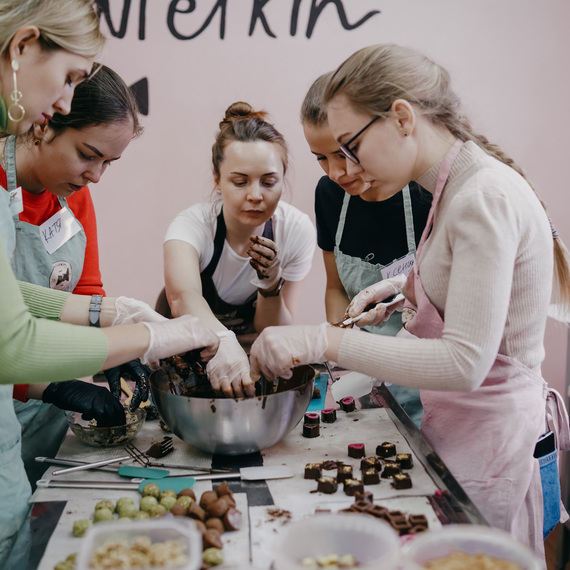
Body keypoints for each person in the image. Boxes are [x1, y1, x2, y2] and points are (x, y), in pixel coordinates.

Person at [250, 44, 570, 562]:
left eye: (350, 147)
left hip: (490, 447)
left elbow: (465, 362)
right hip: (461, 434)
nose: (343, 168)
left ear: (401, 117)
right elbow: (465, 281)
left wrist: (325, 339)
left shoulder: (480, 198)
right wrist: (403, 288)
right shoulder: (455, 186)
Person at [0, 1, 218, 565]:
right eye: (68, 78)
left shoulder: (67, 199)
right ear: (22, 49)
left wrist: (110, 314)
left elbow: (19, 300)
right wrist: (146, 340)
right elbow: (13, 341)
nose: (64, 100)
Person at [3, 63, 151, 487]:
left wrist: (115, 354)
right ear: (43, 126)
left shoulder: (75, 197)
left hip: (44, 419)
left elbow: (86, 291)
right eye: (88, 155)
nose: (96, 176)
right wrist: (53, 384)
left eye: (110, 162)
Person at [301, 72, 431, 426]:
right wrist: (347, 343)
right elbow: (336, 287)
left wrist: (384, 358)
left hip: (431, 381)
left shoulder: (426, 195)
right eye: (321, 158)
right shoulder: (329, 195)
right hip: (366, 378)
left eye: (345, 152)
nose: (337, 172)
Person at [163, 101, 316, 398]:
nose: (256, 195)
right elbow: (183, 297)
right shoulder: (192, 226)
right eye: (240, 181)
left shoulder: (296, 230)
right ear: (217, 179)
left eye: (269, 181)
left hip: (248, 350)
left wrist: (271, 286)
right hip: (187, 351)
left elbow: (276, 329)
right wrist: (222, 337)